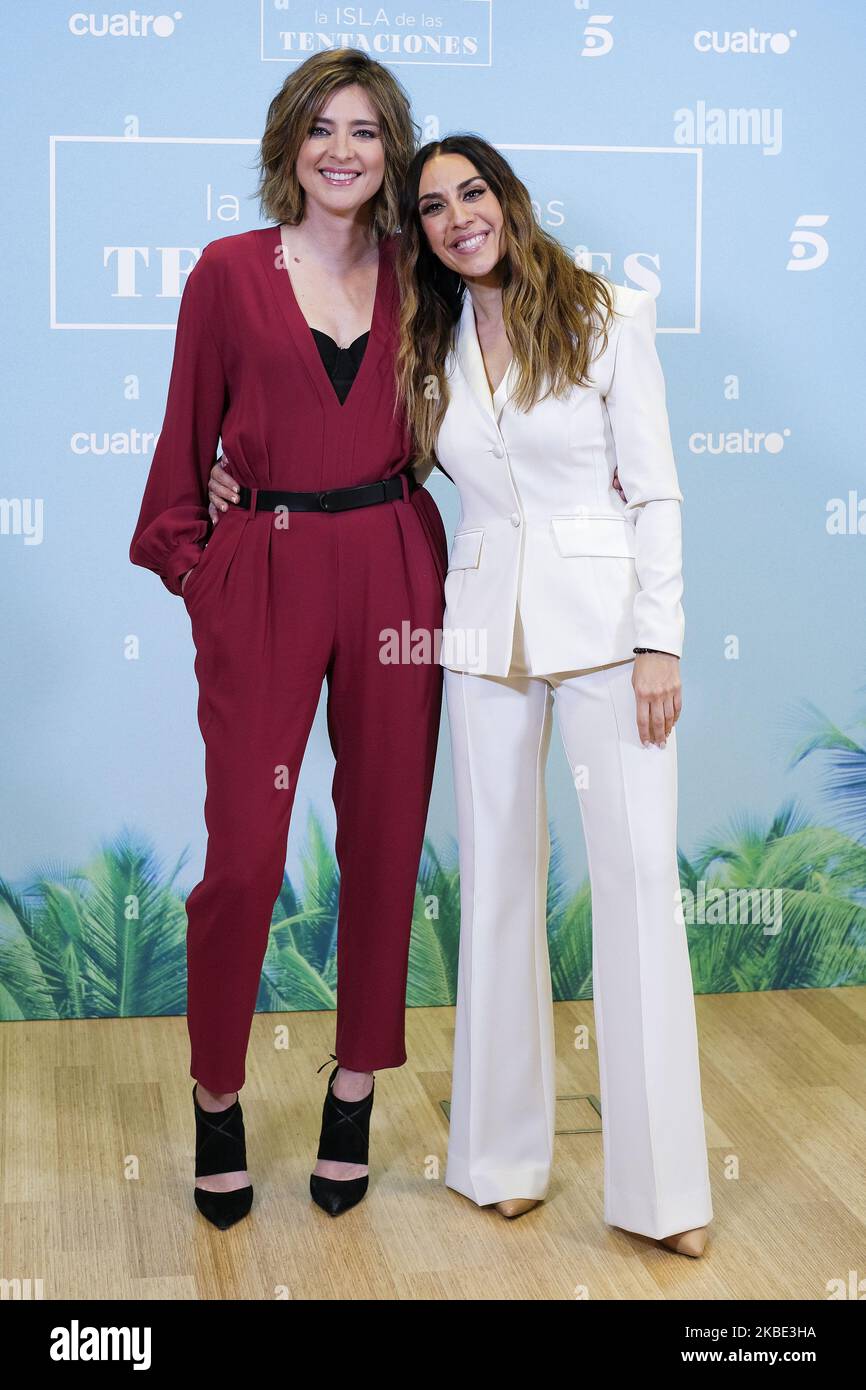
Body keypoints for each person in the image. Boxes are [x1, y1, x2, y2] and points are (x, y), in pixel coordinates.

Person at [129, 50, 447, 1230]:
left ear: (391, 149)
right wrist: (196, 557)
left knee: (382, 836)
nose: (343, 151)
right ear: (289, 143)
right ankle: (218, 1095)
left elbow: (520, 360)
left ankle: (352, 1090)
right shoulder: (225, 274)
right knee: (248, 854)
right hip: (261, 568)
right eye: (322, 128)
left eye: (366, 131)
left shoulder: (428, 271)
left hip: (392, 561)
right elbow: (182, 439)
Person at [391, 133, 714, 1257]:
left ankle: (665, 1194)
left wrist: (658, 642)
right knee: (494, 891)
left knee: (633, 893)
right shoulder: (425, 335)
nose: (455, 218)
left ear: (506, 198)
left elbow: (654, 490)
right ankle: (495, 1158)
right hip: (482, 635)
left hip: (607, 638)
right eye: (431, 207)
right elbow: (371, 458)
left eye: (470, 193)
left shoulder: (606, 314)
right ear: (419, 231)